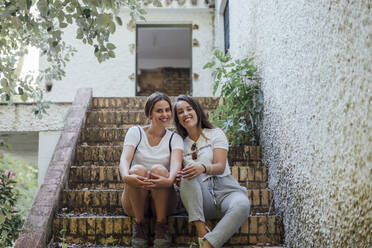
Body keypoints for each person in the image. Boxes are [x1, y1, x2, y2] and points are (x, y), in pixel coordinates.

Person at [173, 95, 250, 248]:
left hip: (226, 189)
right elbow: (178, 173)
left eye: (189, 109)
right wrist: (178, 178)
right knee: (186, 176)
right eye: (180, 112)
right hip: (201, 198)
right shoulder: (179, 143)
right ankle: (201, 231)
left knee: (242, 204)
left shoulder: (215, 134)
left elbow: (220, 166)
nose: (185, 114)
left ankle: (207, 244)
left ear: (197, 111)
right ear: (177, 118)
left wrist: (202, 167)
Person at [119, 92, 184, 248]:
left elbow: (176, 164)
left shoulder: (175, 138)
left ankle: (161, 226)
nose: (165, 114)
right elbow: (125, 159)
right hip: (134, 201)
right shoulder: (135, 132)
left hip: (163, 201)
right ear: (149, 114)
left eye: (167, 110)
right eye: (159, 110)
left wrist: (169, 179)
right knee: (137, 170)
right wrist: (126, 176)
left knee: (159, 170)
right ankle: (139, 226)